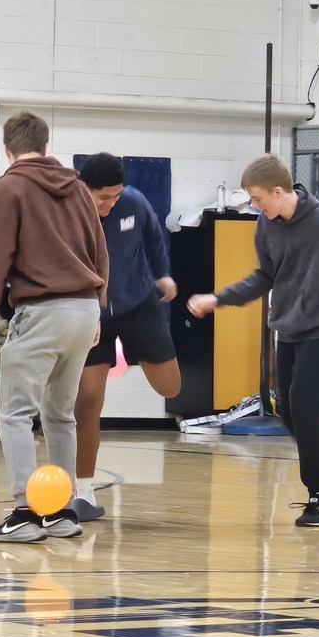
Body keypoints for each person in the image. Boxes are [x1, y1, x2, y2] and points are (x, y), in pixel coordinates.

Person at [187, 154, 319, 528]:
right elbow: (263, 277)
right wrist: (218, 299)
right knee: (289, 413)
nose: (254, 206)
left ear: (278, 191)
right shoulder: (266, 226)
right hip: (287, 333)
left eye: (257, 198)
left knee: (308, 413)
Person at [0, 110, 108, 544]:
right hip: (84, 310)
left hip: (43, 310)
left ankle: (26, 510)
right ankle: (59, 511)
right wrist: (97, 307)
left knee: (15, 413)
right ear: (45, 146)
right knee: (60, 415)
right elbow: (100, 250)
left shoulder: (9, 187)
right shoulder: (78, 188)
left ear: (8, 150)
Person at [73, 153, 181, 522]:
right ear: (84, 189)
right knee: (87, 402)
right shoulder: (68, 213)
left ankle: (135, 350)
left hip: (138, 306)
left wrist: (162, 274)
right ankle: (83, 492)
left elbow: (153, 238)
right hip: (92, 315)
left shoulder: (134, 201)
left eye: (116, 196)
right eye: (104, 197)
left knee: (170, 388)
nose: (111, 203)